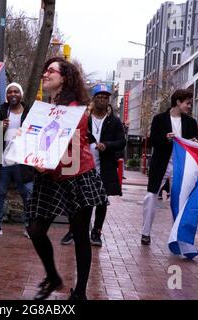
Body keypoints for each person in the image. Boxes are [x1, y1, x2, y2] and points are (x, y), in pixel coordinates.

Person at [28, 57, 108, 300]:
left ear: (64, 77)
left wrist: (43, 161)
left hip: (77, 175)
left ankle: (80, 293)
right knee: (35, 230)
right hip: (50, 176)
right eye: (45, 70)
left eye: (50, 71)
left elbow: (67, 146)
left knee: (81, 234)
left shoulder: (75, 110)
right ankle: (53, 277)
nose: (45, 74)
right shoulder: (44, 106)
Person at [60, 84, 126, 247]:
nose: (102, 100)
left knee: (102, 201)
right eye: (99, 97)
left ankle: (96, 232)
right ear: (93, 99)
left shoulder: (114, 121)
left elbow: (122, 142)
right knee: (77, 200)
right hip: (82, 165)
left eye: (105, 97)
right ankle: (72, 230)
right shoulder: (84, 118)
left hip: (104, 167)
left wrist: (107, 145)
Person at [141, 89, 197, 245]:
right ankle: (145, 232)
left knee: (180, 198)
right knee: (151, 195)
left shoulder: (190, 122)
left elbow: (193, 143)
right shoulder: (159, 119)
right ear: (178, 102)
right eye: (187, 103)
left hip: (182, 165)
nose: (189, 106)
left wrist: (194, 141)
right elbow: (152, 141)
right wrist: (165, 138)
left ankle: (177, 235)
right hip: (161, 164)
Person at [0, 83, 34, 238]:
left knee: (27, 194)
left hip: (23, 161)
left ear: (21, 94)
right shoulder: (0, 111)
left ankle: (29, 226)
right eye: (10, 92)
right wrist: (0, 128)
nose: (13, 94)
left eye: (16, 92)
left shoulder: (30, 112)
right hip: (3, 161)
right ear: (6, 95)